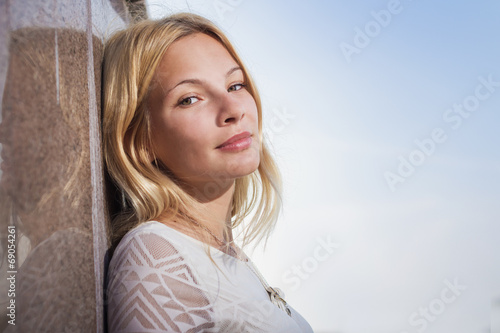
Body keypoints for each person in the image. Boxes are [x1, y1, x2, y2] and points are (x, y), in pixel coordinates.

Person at [103, 12, 313, 332]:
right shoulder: (157, 256)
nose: (233, 110)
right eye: (189, 99)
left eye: (235, 84)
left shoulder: (225, 254)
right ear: (139, 140)